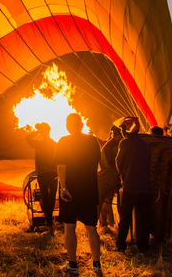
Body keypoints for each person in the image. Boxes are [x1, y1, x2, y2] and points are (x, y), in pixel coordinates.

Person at [54, 113, 103, 275]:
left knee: (69, 226)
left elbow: (61, 167)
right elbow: (98, 163)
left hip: (71, 189)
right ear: (81, 125)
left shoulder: (63, 141)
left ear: (68, 126)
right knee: (91, 227)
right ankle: (97, 264)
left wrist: (63, 187)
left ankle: (73, 265)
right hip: (89, 189)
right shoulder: (92, 140)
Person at [115, 117, 152, 254]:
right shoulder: (145, 144)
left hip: (130, 187)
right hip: (145, 187)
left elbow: (119, 163)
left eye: (123, 129)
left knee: (125, 217)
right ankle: (143, 246)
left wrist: (123, 177)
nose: (122, 131)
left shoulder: (124, 143)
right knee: (143, 218)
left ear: (127, 129)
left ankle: (120, 245)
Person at [25, 123, 58, 234]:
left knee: (45, 197)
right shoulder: (55, 144)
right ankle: (51, 221)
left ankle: (49, 224)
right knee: (52, 197)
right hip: (54, 173)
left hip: (43, 174)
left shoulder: (38, 144)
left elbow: (27, 138)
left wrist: (38, 131)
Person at [97, 125, 123, 230]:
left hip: (111, 179)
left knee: (107, 203)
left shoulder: (115, 145)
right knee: (101, 203)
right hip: (104, 179)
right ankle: (99, 225)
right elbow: (110, 163)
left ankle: (108, 224)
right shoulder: (110, 147)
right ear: (117, 134)